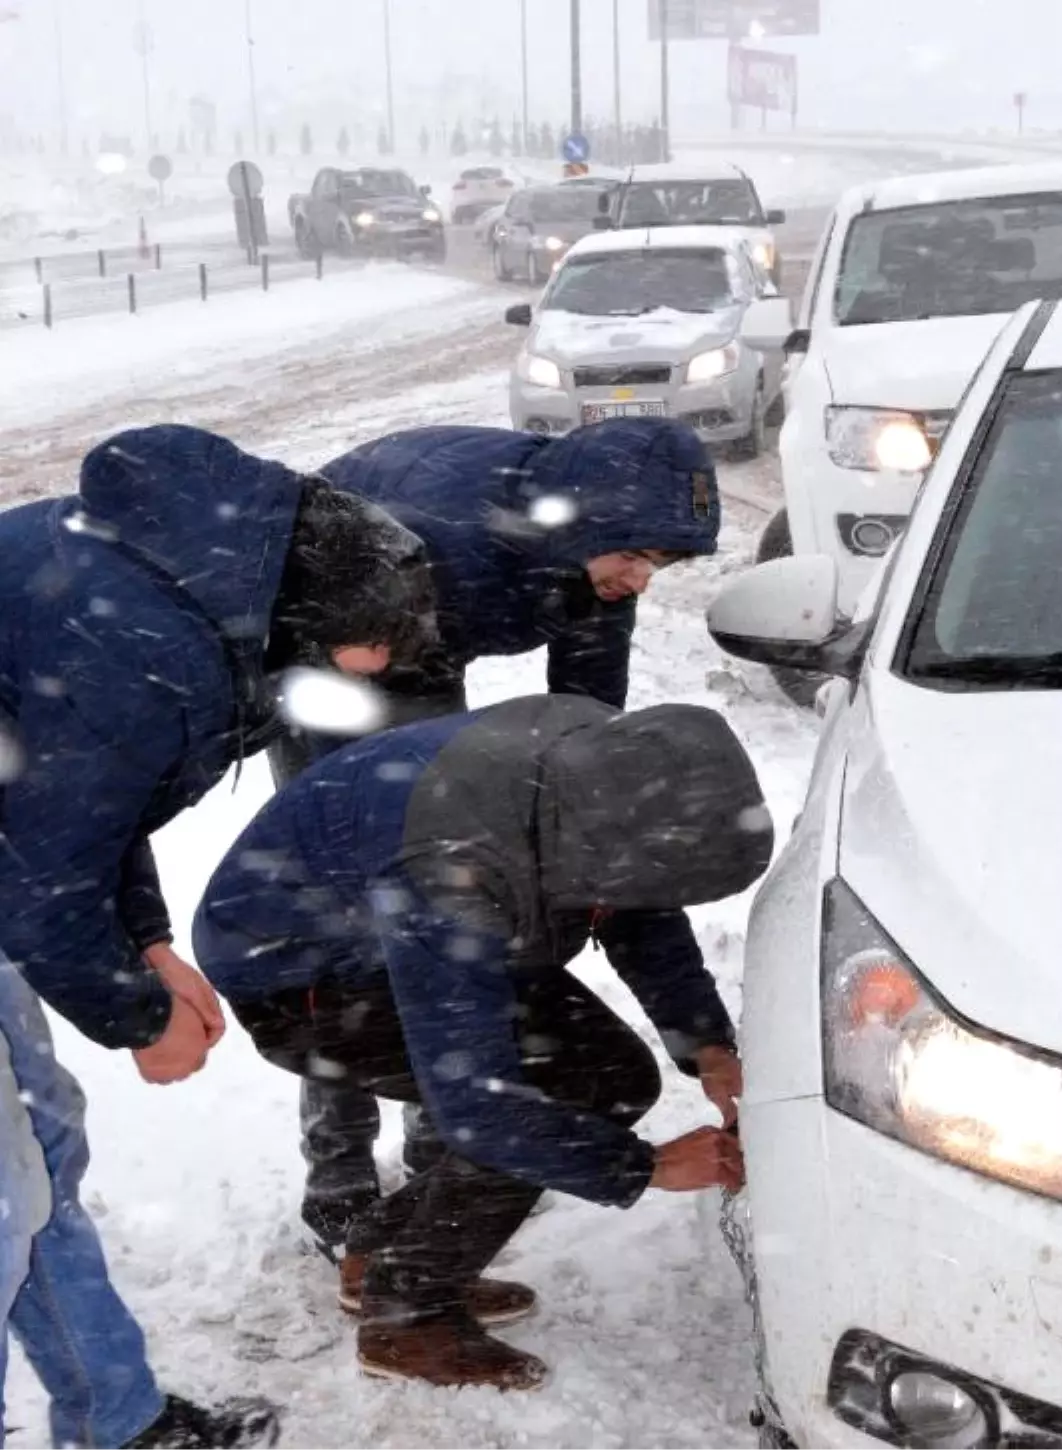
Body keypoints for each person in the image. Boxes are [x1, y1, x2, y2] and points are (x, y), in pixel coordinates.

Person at [0, 424, 436, 1449]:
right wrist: (139, 1016)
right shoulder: (155, 650)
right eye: (370, 645)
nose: (373, 668)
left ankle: (116, 1421)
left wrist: (146, 941)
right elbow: (44, 882)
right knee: (7, 1179)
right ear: (322, 610)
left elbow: (80, 802)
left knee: (34, 1145)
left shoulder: (183, 587)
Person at [193, 694, 773, 1391]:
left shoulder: (598, 770)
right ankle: (407, 1316)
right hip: (306, 981)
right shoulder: (451, 862)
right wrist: (644, 1168)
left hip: (406, 926)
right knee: (532, 1099)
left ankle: (382, 1251)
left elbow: (639, 906)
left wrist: (707, 1044)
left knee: (610, 1078)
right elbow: (477, 1109)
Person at [280, 417, 723, 1255]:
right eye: (634, 554)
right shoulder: (438, 549)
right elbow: (374, 780)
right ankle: (340, 1187)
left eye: (659, 565)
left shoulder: (597, 561)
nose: (640, 580)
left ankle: (439, 1149)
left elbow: (590, 725)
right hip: (326, 644)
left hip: (426, 631)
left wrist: (586, 819)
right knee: (361, 923)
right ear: (589, 519)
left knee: (442, 896)